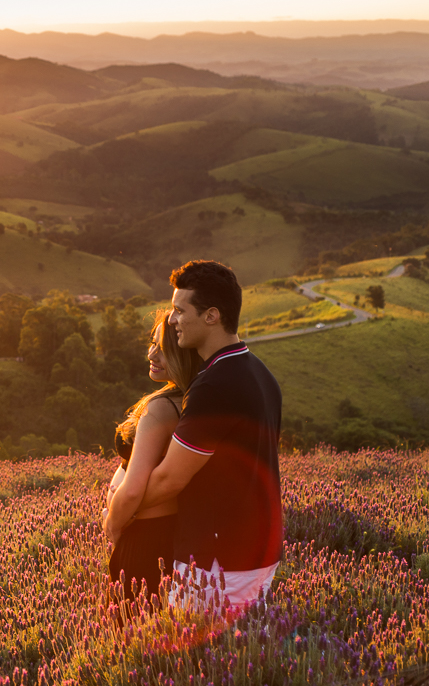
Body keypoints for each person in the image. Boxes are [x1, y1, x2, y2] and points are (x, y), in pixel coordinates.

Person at [135, 260, 283, 615]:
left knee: (191, 665)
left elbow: (171, 478)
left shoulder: (216, 385)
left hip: (216, 560)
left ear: (211, 316)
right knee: (237, 659)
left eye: (179, 310)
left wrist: (125, 507)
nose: (172, 320)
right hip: (254, 551)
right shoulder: (257, 371)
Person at [102, 310, 201, 604]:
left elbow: (132, 490)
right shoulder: (190, 400)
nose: (152, 354)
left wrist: (113, 524)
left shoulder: (162, 409)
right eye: (152, 344)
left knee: (129, 631)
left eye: (164, 348)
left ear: (185, 354)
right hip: (168, 532)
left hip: (143, 535)